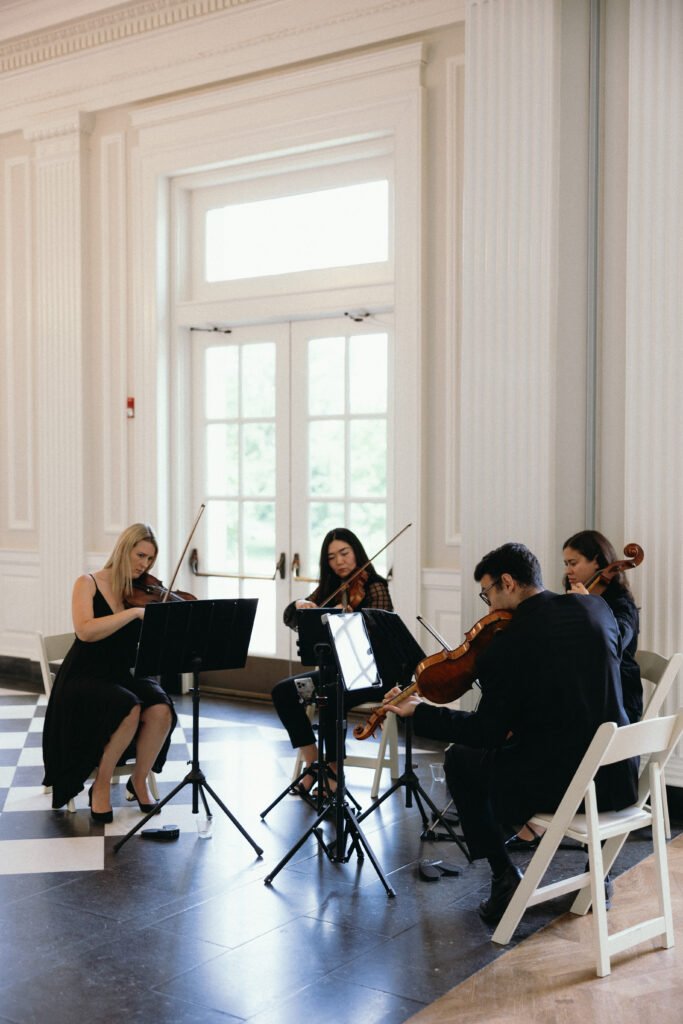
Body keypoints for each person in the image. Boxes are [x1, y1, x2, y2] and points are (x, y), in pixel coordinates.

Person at [383, 541, 638, 925]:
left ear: (507, 582)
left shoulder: (508, 645)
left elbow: (485, 732)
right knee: (539, 742)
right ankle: (596, 874)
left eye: (487, 594)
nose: (487, 608)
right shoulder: (595, 607)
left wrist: (420, 714)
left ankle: (504, 878)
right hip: (619, 775)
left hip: (570, 786)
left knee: (462, 760)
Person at [508, 528, 642, 851]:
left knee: (559, 733)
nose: (567, 570)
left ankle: (548, 817)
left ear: (598, 562)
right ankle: (537, 815)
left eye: (574, 562)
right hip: (586, 694)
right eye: (565, 563)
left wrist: (587, 608)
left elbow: (615, 645)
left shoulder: (620, 603)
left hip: (616, 699)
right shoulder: (575, 596)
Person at [42, 523, 177, 822]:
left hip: (123, 673)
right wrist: (131, 613)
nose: (144, 565)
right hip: (84, 675)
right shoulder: (87, 583)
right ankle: (100, 785)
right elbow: (85, 632)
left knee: (161, 709)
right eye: (140, 555)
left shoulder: (144, 590)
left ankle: (139, 779)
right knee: (128, 707)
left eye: (150, 560)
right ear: (123, 549)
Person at [271, 527, 393, 794]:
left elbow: (383, 634)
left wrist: (351, 620)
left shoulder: (375, 586)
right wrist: (301, 605)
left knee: (329, 694)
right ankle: (314, 763)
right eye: (331, 557)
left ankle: (335, 772)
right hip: (337, 674)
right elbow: (291, 618)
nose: (339, 561)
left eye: (344, 553)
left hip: (372, 676)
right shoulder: (330, 588)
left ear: (356, 552)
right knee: (283, 692)